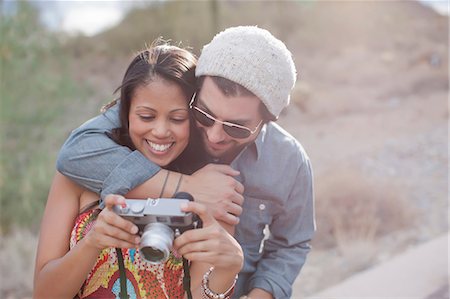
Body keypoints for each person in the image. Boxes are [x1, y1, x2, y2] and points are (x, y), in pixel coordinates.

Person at [57, 26, 315, 299]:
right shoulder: (171, 115)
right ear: (196, 89)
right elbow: (77, 151)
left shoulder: (290, 162)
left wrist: (262, 294)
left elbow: (292, 243)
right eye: (204, 114)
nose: (215, 136)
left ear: (266, 121)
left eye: (236, 128)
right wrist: (187, 185)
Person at [34, 42, 243, 299]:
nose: (160, 131)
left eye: (177, 119)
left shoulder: (211, 193)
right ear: (126, 114)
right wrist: (92, 242)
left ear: (194, 117)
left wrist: (229, 268)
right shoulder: (78, 177)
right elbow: (43, 293)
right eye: (146, 116)